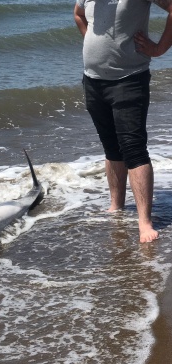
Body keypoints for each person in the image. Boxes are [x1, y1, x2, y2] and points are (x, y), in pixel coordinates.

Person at [74, 0, 172, 243]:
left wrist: (159, 48)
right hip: (93, 81)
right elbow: (78, 15)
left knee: (134, 149)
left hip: (129, 79)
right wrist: (92, 43)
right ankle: (116, 206)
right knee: (111, 147)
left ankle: (144, 223)